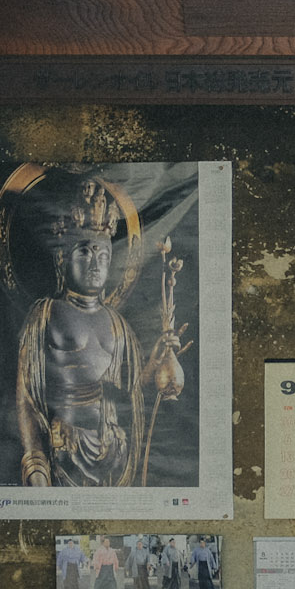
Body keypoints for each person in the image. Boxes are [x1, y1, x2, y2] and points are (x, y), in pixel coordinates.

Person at [14, 178, 185, 488]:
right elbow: (26, 395)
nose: (96, 264)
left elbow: (131, 393)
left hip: (114, 450)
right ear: (62, 259)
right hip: (64, 448)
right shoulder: (45, 315)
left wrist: (154, 365)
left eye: (104, 256)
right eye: (85, 253)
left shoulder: (118, 325)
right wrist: (34, 458)